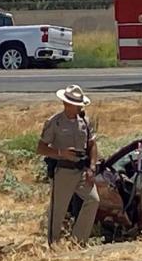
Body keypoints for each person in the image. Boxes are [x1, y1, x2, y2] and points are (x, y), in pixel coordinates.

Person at [37, 84, 99, 245]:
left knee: (93, 200)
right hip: (63, 171)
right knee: (58, 211)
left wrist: (92, 167)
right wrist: (60, 153)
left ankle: (78, 241)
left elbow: (92, 145)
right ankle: (53, 244)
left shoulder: (85, 122)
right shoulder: (55, 123)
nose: (80, 107)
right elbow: (41, 148)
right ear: (67, 104)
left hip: (82, 170)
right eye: (76, 104)